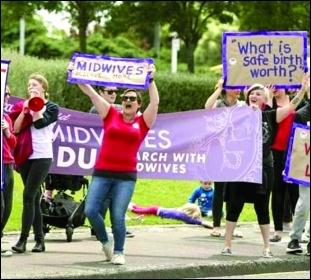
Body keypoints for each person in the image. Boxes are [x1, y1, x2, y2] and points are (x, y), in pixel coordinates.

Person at [70, 63, 159, 265]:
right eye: (125, 98)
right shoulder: (111, 114)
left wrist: (151, 80)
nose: (127, 100)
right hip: (102, 172)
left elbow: (155, 102)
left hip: (125, 177)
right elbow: (91, 93)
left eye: (132, 99)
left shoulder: (143, 122)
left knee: (117, 215)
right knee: (91, 210)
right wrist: (76, 72)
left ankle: (119, 251)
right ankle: (106, 242)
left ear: (138, 105)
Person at [221, 73, 309, 258]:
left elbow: (292, 105)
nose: (254, 95)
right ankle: (227, 245)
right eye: (252, 93)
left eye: (259, 94)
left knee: (262, 206)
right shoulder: (236, 114)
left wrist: (302, 89)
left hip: (263, 168)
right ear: (247, 96)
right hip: (241, 167)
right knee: (234, 205)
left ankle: (266, 248)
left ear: (265, 99)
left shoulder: (270, 116)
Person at [9, 73, 59, 253]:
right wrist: (24, 111)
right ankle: (40, 240)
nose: (31, 88)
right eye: (29, 85)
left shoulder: (52, 107)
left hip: (42, 156)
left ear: (43, 88)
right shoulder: (22, 106)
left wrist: (36, 105)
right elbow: (15, 128)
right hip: (25, 155)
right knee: (35, 198)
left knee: (28, 195)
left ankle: (23, 240)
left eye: (35, 85)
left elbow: (39, 124)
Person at [88, 86, 135, 239]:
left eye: (115, 92)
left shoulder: (121, 111)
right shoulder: (99, 110)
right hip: (103, 163)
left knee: (116, 204)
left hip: (122, 167)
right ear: (101, 93)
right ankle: (100, 232)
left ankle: (117, 230)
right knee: (100, 202)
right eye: (109, 92)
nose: (113, 94)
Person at [205, 77, 245, 237]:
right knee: (220, 189)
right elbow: (207, 107)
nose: (238, 90)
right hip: (219, 151)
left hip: (236, 152)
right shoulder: (220, 104)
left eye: (240, 87)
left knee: (233, 191)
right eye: (235, 87)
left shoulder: (242, 106)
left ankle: (231, 226)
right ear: (227, 89)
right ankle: (216, 226)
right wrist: (218, 88)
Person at [269, 86, 308, 242]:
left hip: (296, 151)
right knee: (277, 191)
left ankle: (298, 227)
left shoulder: (298, 103)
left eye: (278, 84)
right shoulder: (269, 103)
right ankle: (278, 229)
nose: (275, 87)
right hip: (276, 152)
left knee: (296, 192)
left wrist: (304, 86)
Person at [286, 80, 310, 256]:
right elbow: (295, 142)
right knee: (304, 202)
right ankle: (295, 237)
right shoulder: (301, 114)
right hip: (305, 168)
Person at [1, 86, 17, 257]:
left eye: (8, 95)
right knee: (1, 205)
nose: (6, 97)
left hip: (7, 163)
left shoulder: (6, 118)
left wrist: (6, 129)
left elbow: (13, 143)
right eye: (4, 94)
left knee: (8, 205)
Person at [128, 202, 213, 228]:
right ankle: (128, 207)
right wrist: (214, 225)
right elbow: (200, 222)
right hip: (156, 210)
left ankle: (131, 204)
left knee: (141, 209)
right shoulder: (184, 216)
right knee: (138, 211)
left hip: (157, 209)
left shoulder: (181, 212)